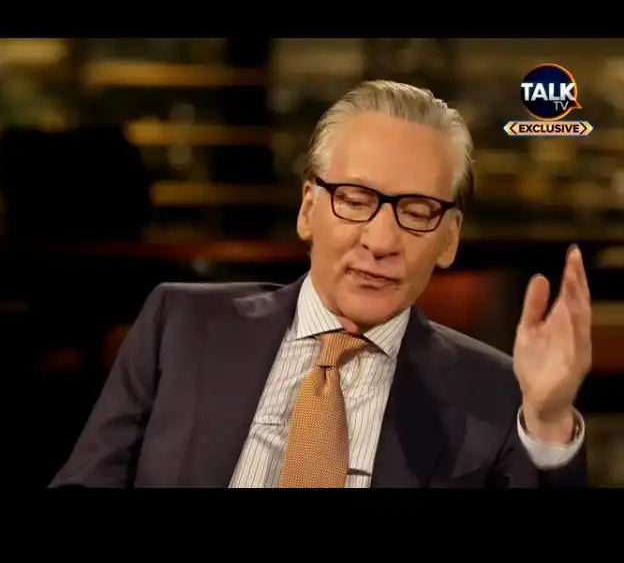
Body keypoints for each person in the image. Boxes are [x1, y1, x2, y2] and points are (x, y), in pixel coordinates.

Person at [50, 80, 591, 488]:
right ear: (308, 208)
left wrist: (547, 425)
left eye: (417, 211)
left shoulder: (498, 395)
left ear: (449, 238)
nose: (381, 240)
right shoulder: (180, 325)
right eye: (355, 200)